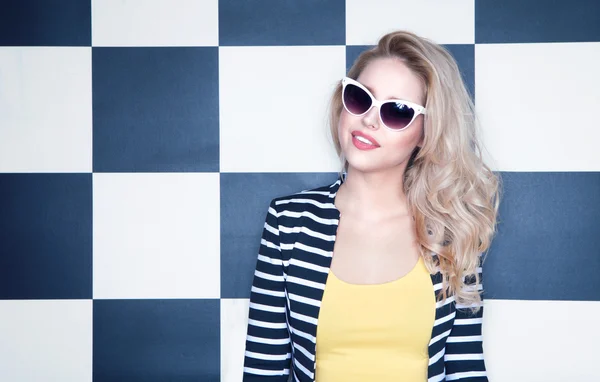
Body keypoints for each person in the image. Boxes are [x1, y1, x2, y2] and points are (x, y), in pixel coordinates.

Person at [242, 30, 501, 382]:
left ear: (427, 132)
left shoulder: (451, 230)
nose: (369, 119)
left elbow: (465, 368)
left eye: (397, 111)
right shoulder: (288, 222)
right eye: (360, 98)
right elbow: (263, 369)